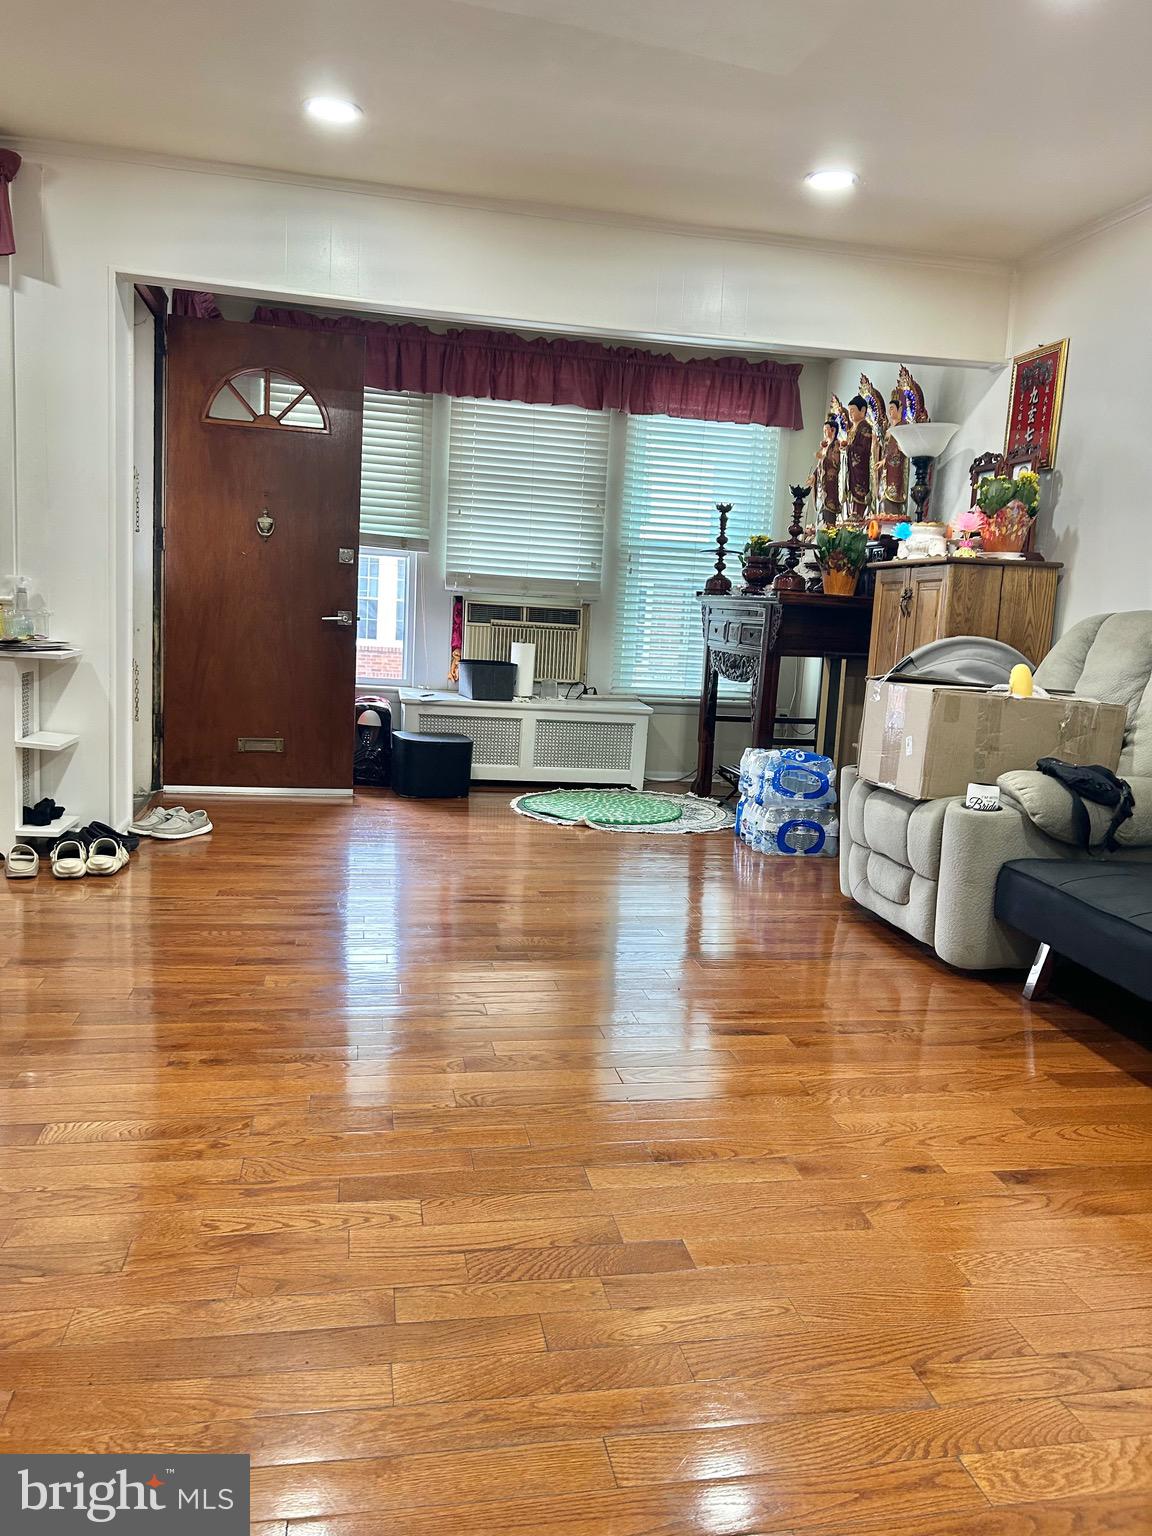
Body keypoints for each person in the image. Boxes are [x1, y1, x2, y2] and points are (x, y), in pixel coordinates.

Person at [809, 416, 842, 526]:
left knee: (828, 512)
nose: (824, 432)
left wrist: (823, 458)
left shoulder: (835, 445)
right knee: (820, 513)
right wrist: (814, 476)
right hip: (821, 485)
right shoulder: (825, 446)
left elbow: (835, 463)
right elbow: (820, 466)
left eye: (826, 429)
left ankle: (828, 529)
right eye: (823, 430)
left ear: (833, 430)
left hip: (829, 483)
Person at [878, 394, 909, 511]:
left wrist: (885, 460)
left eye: (892, 408)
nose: (890, 411)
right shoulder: (889, 428)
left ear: (899, 409)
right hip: (886, 468)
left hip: (896, 466)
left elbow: (897, 448)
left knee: (892, 498)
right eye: (889, 409)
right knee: (883, 497)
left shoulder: (903, 426)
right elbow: (886, 447)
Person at [845, 395, 873, 520]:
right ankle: (852, 513)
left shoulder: (865, 427)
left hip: (860, 467)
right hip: (851, 467)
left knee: (859, 488)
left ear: (862, 411)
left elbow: (864, 449)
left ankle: (858, 514)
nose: (850, 414)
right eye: (849, 411)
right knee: (849, 487)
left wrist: (849, 448)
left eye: (853, 410)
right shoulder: (852, 429)